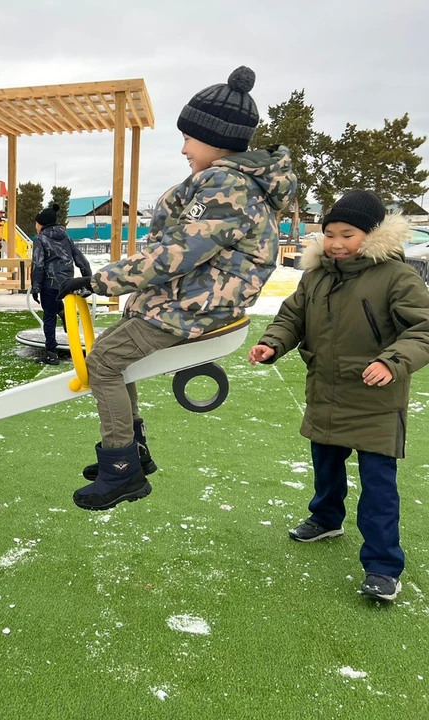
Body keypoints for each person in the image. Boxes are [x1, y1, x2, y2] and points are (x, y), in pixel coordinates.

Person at [56, 66, 296, 512]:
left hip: (198, 308)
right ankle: (132, 451)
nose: (184, 148)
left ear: (218, 140)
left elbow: (176, 254)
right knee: (109, 352)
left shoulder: (228, 187)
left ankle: (121, 471)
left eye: (191, 138)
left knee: (104, 362)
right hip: (192, 301)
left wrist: (97, 281)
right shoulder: (230, 183)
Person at [249, 191, 429, 602]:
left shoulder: (397, 277)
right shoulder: (317, 275)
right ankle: (326, 518)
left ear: (372, 234)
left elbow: (423, 329)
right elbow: (293, 315)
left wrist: (392, 362)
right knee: (325, 465)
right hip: (327, 391)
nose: (336, 243)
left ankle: (384, 566)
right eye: (329, 233)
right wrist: (272, 344)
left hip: (375, 399)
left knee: (378, 486)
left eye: (347, 234)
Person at [30, 203, 91, 365]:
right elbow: (80, 259)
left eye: (36, 223)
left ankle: (51, 352)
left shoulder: (40, 239)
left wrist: (36, 287)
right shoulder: (66, 237)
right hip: (67, 283)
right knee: (56, 304)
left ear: (41, 224)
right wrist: (88, 278)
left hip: (49, 283)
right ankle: (62, 312)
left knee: (48, 316)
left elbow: (38, 264)